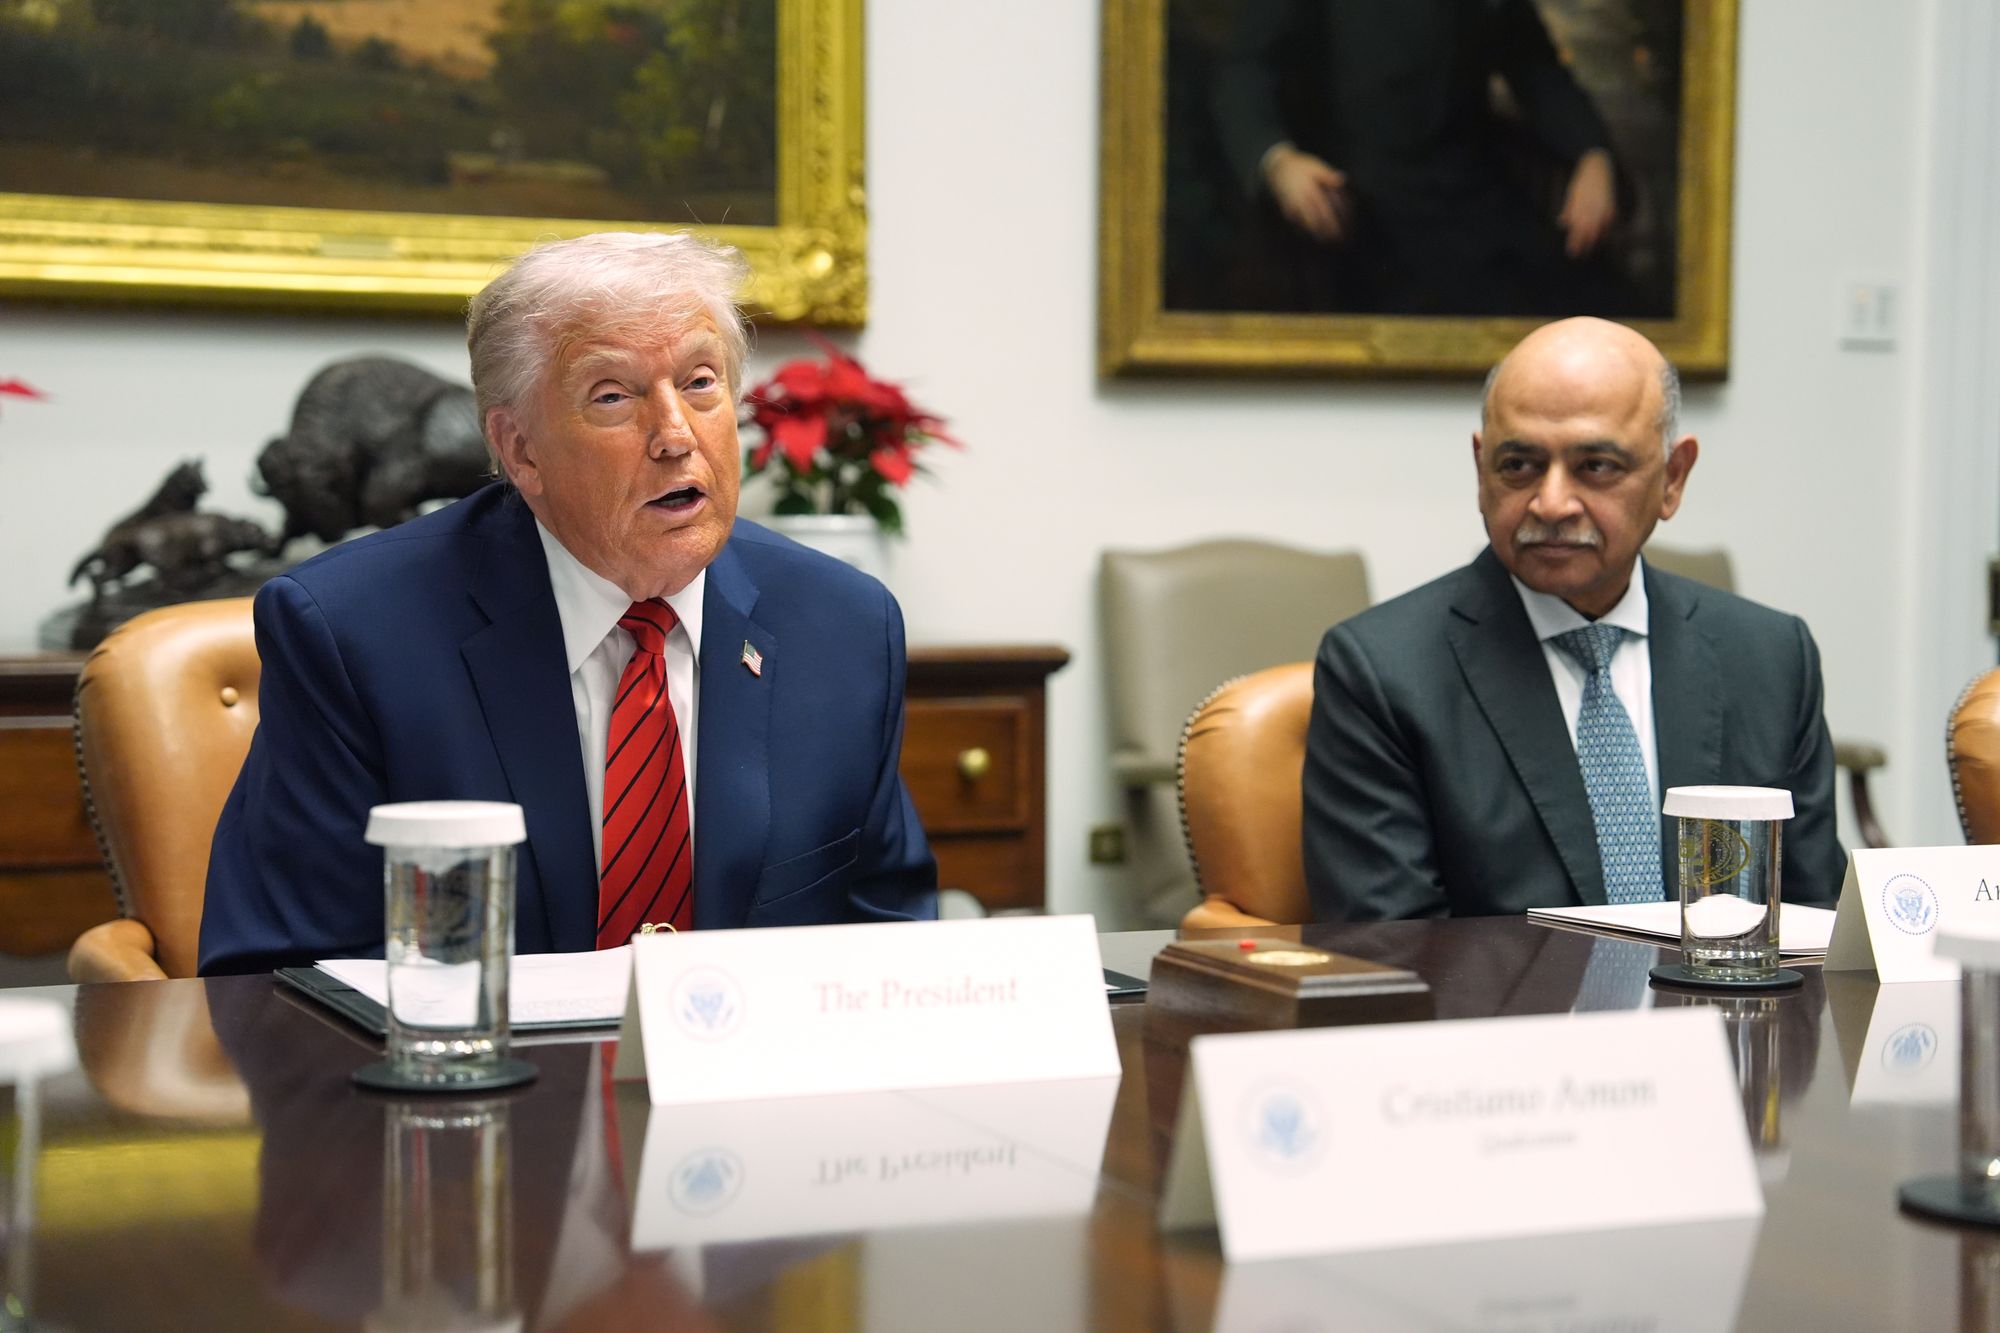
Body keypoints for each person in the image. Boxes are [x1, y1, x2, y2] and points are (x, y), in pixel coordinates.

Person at [200, 232, 936, 974]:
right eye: (613, 396)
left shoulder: (842, 626)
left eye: (701, 382)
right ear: (520, 450)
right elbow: (274, 978)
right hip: (480, 1084)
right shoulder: (352, 635)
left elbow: (893, 946)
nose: (676, 434)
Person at [1302, 317, 1844, 920]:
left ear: (1672, 478)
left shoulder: (1769, 657)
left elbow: (1812, 921)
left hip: (1728, 1016)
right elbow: (1395, 952)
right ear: (1481, 470)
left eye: (1597, 467)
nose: (1552, 503)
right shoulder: (1383, 673)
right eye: (1519, 465)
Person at [1203, 0, 1636, 316]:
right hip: (1356, 205)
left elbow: (1537, 70)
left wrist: (1592, 156)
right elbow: (1246, 72)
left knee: (1594, 312)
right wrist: (1278, 163)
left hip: (1473, 200)